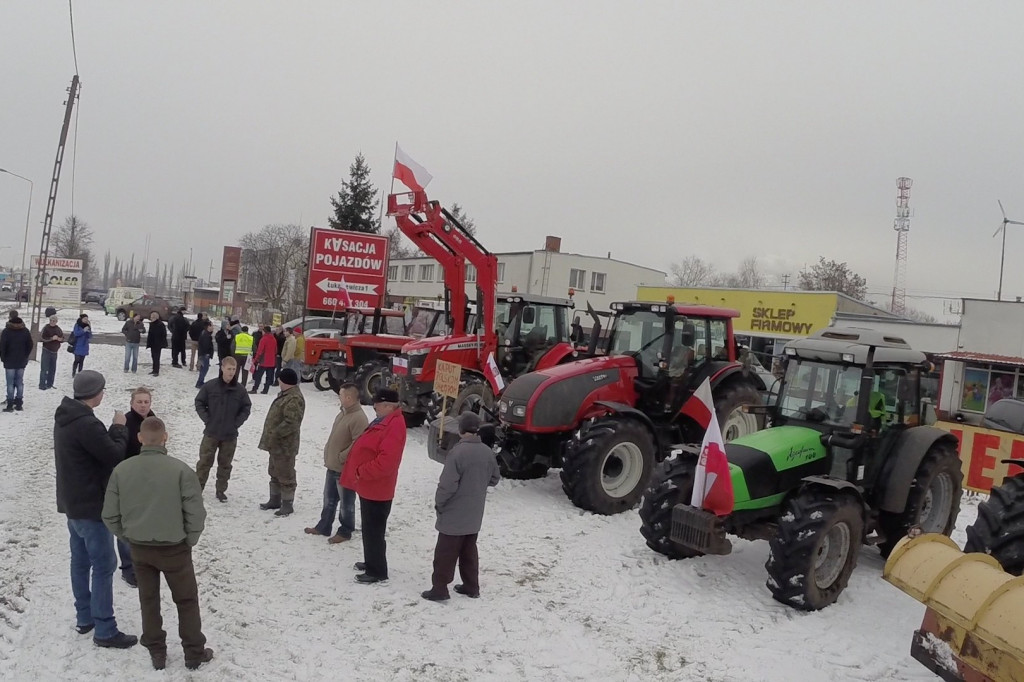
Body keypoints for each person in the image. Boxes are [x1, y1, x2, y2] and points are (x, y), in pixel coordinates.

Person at [102, 417, 214, 671]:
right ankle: (194, 652)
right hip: (175, 549)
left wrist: (128, 537)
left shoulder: (122, 471)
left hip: (140, 548)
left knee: (148, 599)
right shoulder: (181, 471)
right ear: (165, 437)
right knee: (186, 600)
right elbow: (196, 514)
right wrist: (190, 539)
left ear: (139, 438)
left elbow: (109, 515)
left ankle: (156, 651)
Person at [53, 369, 137, 649]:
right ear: (95, 393)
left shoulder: (66, 416)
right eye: (102, 390)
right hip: (92, 507)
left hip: (73, 504)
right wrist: (119, 427)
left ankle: (84, 617)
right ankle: (105, 629)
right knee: (103, 566)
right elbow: (113, 455)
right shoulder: (87, 423)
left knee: (80, 562)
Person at [421, 411, 501, 601]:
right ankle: (471, 586)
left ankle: (440, 588)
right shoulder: (487, 452)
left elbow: (447, 485)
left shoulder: (457, 453)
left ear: (460, 429)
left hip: (454, 512)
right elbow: (494, 478)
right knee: (469, 550)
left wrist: (439, 503)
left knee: (445, 553)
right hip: (475, 512)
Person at [341, 387, 407, 584]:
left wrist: (362, 471)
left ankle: (377, 571)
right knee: (370, 528)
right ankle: (372, 561)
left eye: (377, 405)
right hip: (370, 486)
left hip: (377, 487)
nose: (374, 408)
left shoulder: (394, 426)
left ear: (388, 406)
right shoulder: (386, 421)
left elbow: (386, 463)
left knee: (374, 530)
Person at [304, 383, 368, 543]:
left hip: (344, 469)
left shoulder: (359, 418)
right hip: (333, 466)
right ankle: (323, 526)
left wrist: (341, 457)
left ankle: (345, 531)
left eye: (341, 394)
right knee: (329, 499)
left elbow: (359, 444)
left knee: (346, 503)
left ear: (349, 398)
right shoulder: (343, 413)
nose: (339, 397)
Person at [194, 356, 251, 502]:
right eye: (229, 369)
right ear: (222, 368)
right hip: (211, 432)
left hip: (229, 435)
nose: (231, 372)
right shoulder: (210, 386)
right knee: (204, 463)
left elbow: (246, 408)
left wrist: (236, 423)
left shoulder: (240, 390)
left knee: (225, 465)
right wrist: (207, 419)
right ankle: (197, 489)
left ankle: (221, 490)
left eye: (234, 369)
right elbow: (199, 402)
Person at [115, 387, 156, 587]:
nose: (143, 405)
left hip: (150, 481)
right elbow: (116, 452)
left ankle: (145, 562)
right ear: (132, 403)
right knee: (127, 526)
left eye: (146, 402)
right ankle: (128, 568)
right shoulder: (126, 423)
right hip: (129, 480)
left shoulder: (154, 422)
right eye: (139, 402)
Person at [257, 368, 305, 516]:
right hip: (277, 445)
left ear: (284, 381)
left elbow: (292, 423)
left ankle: (287, 504)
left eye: (279, 379)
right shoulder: (286, 395)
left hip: (285, 446)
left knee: (286, 474)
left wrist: (276, 433)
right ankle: (275, 500)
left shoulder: (294, 399)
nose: (278, 381)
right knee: (274, 471)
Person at [1, 315, 33, 412]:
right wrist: (25, 355)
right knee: (19, 382)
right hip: (21, 361)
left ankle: (10, 405)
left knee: (10, 383)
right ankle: (19, 404)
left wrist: (3, 358)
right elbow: (30, 345)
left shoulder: (6, 332)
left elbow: (2, 346)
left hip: (9, 361)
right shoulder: (25, 331)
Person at [39, 313, 64, 390]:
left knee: (52, 369)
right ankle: (42, 385)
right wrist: (51, 338)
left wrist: (59, 339)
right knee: (44, 368)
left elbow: (62, 338)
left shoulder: (58, 329)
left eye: (54, 321)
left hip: (54, 351)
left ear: (56, 322)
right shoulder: (46, 328)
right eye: (51, 320)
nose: (52, 322)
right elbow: (42, 338)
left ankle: (50, 384)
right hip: (46, 350)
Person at [250, 326, 278, 394]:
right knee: (268, 377)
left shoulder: (263, 339)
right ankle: (266, 390)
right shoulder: (274, 339)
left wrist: (256, 359)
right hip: (271, 361)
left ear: (264, 331)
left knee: (258, 375)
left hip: (264, 361)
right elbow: (275, 350)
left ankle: (255, 389)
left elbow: (260, 351)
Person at [146, 311, 168, 376]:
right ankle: (154, 369)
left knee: (156, 357)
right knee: (153, 356)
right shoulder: (152, 324)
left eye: (151, 317)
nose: (150, 318)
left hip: (158, 344)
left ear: (155, 317)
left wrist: (160, 341)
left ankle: (156, 371)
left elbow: (164, 334)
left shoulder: (160, 324)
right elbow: (150, 334)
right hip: (152, 343)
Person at [195, 319, 215, 388]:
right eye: (212, 326)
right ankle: (199, 383)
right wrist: (207, 353)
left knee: (204, 369)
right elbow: (205, 345)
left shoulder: (205, 333)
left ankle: (200, 382)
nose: (213, 327)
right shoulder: (206, 335)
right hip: (204, 355)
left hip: (203, 354)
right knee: (204, 369)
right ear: (208, 327)